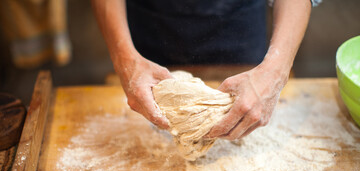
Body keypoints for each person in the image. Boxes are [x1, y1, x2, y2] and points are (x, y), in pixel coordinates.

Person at [91, 0, 316, 140]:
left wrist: (275, 70)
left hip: (239, 26)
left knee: (242, 110)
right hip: (151, 28)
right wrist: (124, 58)